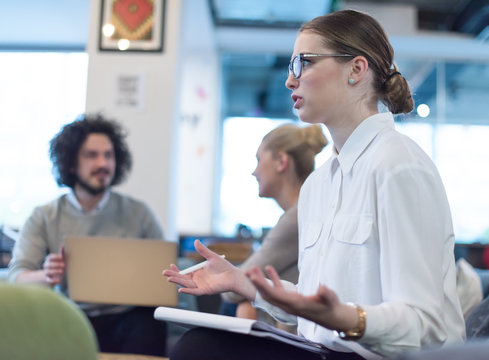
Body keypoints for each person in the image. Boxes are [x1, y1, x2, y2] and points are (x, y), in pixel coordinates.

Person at [163, 9, 465, 360]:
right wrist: (245, 284)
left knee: (199, 350)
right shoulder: (319, 184)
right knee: (199, 344)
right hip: (321, 349)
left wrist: (345, 318)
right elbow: (312, 303)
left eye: (304, 63)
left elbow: (425, 326)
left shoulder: (399, 166)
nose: (291, 81)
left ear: (356, 69)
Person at [8, 114, 167, 356]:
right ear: (71, 163)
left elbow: (165, 274)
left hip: (127, 318)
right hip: (70, 315)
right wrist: (47, 275)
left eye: (108, 155)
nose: (103, 163)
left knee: (149, 321)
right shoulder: (44, 216)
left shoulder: (139, 213)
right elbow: (17, 277)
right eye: (92, 155)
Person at [220, 123, 327, 326]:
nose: (254, 171)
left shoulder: (297, 217)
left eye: (259, 160)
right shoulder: (304, 211)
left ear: (281, 161)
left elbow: (232, 290)